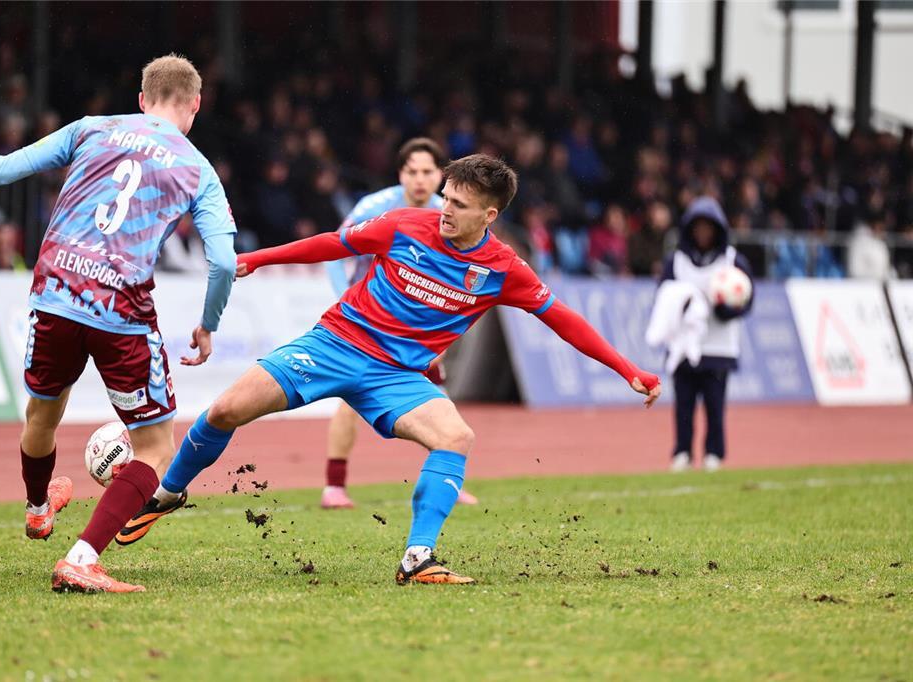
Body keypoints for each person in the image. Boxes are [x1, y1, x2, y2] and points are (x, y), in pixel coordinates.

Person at [118, 154, 660, 587]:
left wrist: (626, 369)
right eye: (446, 197)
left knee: (456, 436)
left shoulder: (504, 270)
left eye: (460, 204)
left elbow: (563, 319)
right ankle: (167, 493)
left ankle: (418, 560)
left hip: (397, 377)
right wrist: (258, 259)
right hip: (337, 342)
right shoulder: (404, 224)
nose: (445, 209)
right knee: (225, 409)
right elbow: (333, 243)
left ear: (489, 216)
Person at [0, 54, 238, 593]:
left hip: (54, 294)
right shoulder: (197, 169)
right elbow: (222, 261)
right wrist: (208, 323)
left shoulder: (92, 129)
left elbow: (5, 166)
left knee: (42, 415)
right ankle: (81, 558)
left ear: (141, 99)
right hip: (120, 311)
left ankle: (36, 507)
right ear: (195, 104)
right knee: (154, 449)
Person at [321, 137, 477, 509]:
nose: (420, 180)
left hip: (413, 326)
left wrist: (438, 340)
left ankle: (447, 476)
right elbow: (333, 253)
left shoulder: (449, 214)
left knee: (439, 400)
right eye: (413, 172)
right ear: (400, 175)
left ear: (440, 176)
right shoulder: (374, 207)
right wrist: (345, 294)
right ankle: (334, 487)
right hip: (366, 318)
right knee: (350, 397)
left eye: (427, 172)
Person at [659, 197, 754, 473]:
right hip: (684, 347)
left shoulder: (733, 261)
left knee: (715, 405)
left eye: (708, 228)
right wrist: (685, 308)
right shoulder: (675, 262)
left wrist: (727, 310)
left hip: (718, 349)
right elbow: (663, 297)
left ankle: (714, 452)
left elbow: (748, 300)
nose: (703, 234)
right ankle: (683, 452)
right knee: (684, 406)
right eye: (697, 228)